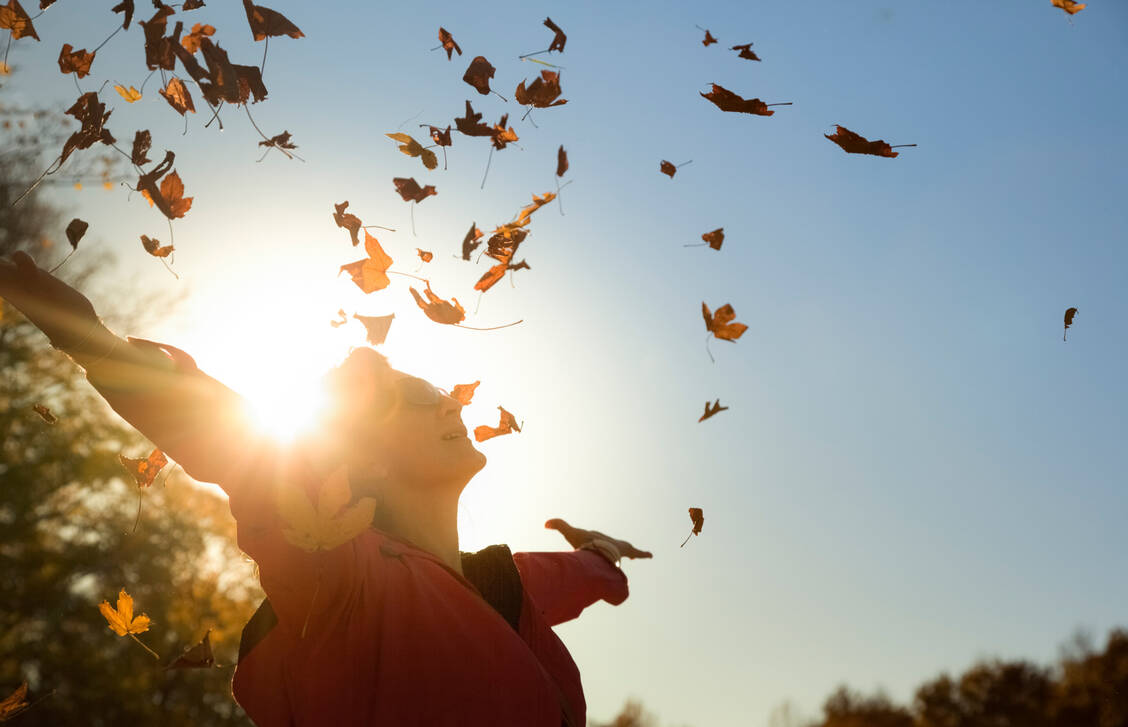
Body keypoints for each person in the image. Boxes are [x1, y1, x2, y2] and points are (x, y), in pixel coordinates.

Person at [0, 250, 653, 726]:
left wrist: (601, 554)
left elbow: (577, 574)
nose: (449, 405)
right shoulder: (341, 569)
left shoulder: (499, 585)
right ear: (361, 464)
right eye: (419, 399)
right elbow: (234, 441)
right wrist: (92, 341)